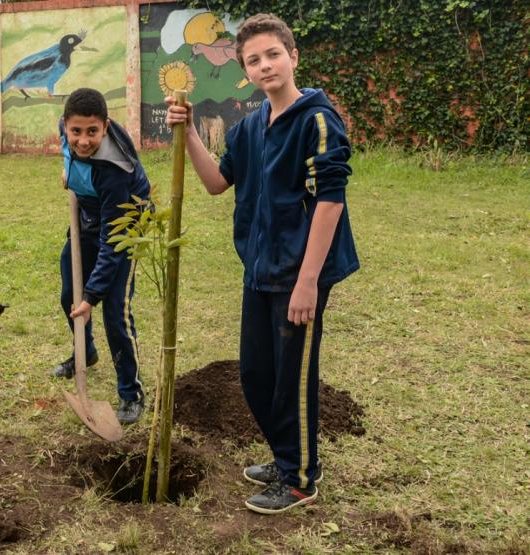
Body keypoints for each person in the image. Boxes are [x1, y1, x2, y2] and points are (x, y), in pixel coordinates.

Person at [166, 13, 359, 514]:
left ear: (293, 57)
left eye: (273, 54)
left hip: (300, 273)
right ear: (244, 72)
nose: (265, 64)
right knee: (255, 374)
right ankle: (283, 455)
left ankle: (299, 479)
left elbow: (330, 200)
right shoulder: (250, 127)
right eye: (253, 60)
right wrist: (187, 135)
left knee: (291, 377)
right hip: (260, 268)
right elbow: (215, 183)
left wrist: (308, 283)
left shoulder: (317, 119)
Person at [52, 88, 150, 425]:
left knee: (114, 311)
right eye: (75, 131)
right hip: (87, 215)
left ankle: (131, 392)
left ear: (105, 127)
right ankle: (85, 352)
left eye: (92, 132)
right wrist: (71, 174)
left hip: (124, 224)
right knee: (69, 295)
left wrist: (92, 295)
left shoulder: (113, 170)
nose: (82, 140)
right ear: (65, 124)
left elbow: (113, 240)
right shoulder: (67, 129)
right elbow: (71, 154)